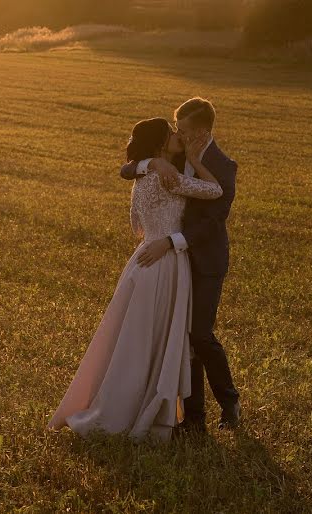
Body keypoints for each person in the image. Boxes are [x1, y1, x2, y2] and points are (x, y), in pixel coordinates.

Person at [46, 117, 223, 442]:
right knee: (150, 337)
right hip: (165, 262)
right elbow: (215, 190)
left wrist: (152, 161)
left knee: (134, 337)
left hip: (143, 260)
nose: (176, 135)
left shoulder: (145, 175)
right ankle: (138, 407)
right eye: (170, 133)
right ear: (159, 144)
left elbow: (137, 224)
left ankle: (127, 400)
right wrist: (195, 161)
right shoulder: (166, 176)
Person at [120, 97, 242, 432]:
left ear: (203, 130)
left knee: (199, 334)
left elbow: (213, 221)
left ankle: (229, 401)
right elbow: (127, 167)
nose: (179, 134)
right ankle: (193, 419)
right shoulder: (169, 154)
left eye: (185, 130)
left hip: (202, 260)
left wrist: (170, 243)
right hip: (170, 263)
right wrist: (150, 165)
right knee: (177, 336)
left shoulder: (223, 165)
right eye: (177, 128)